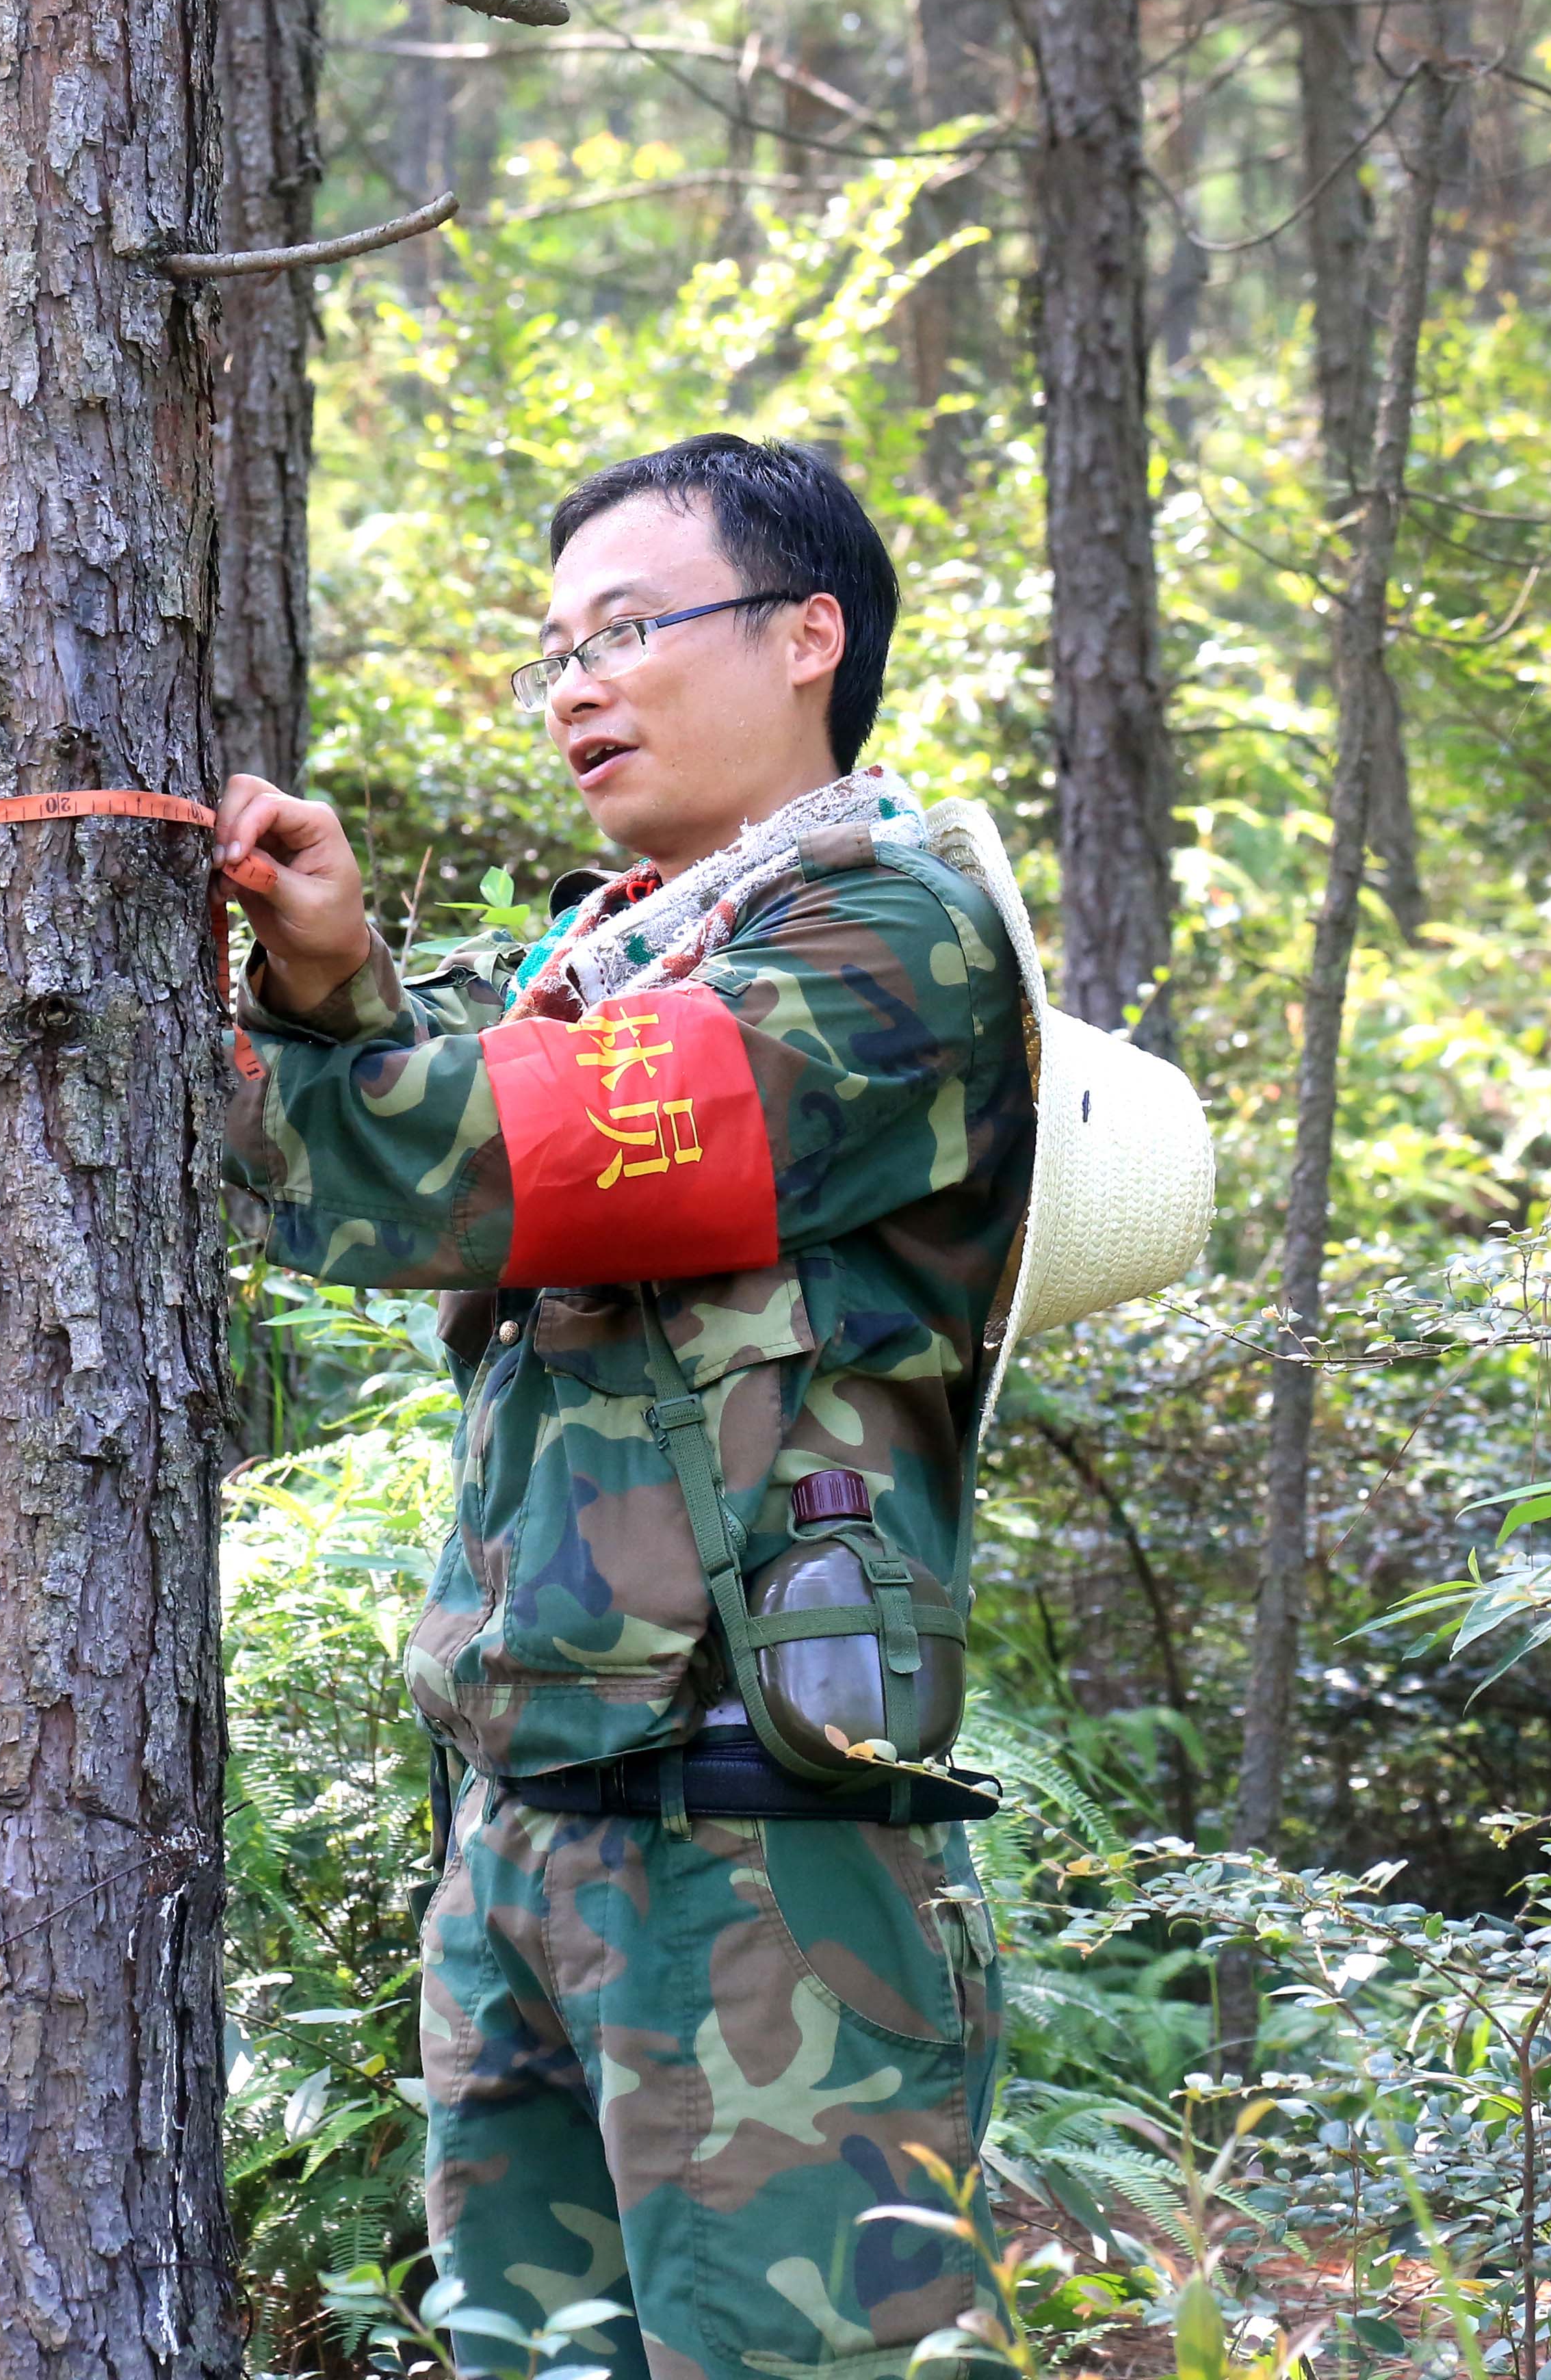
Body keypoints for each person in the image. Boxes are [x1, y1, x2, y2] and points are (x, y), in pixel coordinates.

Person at [214, 436, 1036, 2380]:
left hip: (761, 1856)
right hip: (531, 1839)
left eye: (632, 628)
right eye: (557, 650)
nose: (579, 683)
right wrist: (332, 994)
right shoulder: (628, 950)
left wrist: (258, 1049)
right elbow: (486, 1154)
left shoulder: (886, 941)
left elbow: (494, 1168)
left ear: (810, 635)